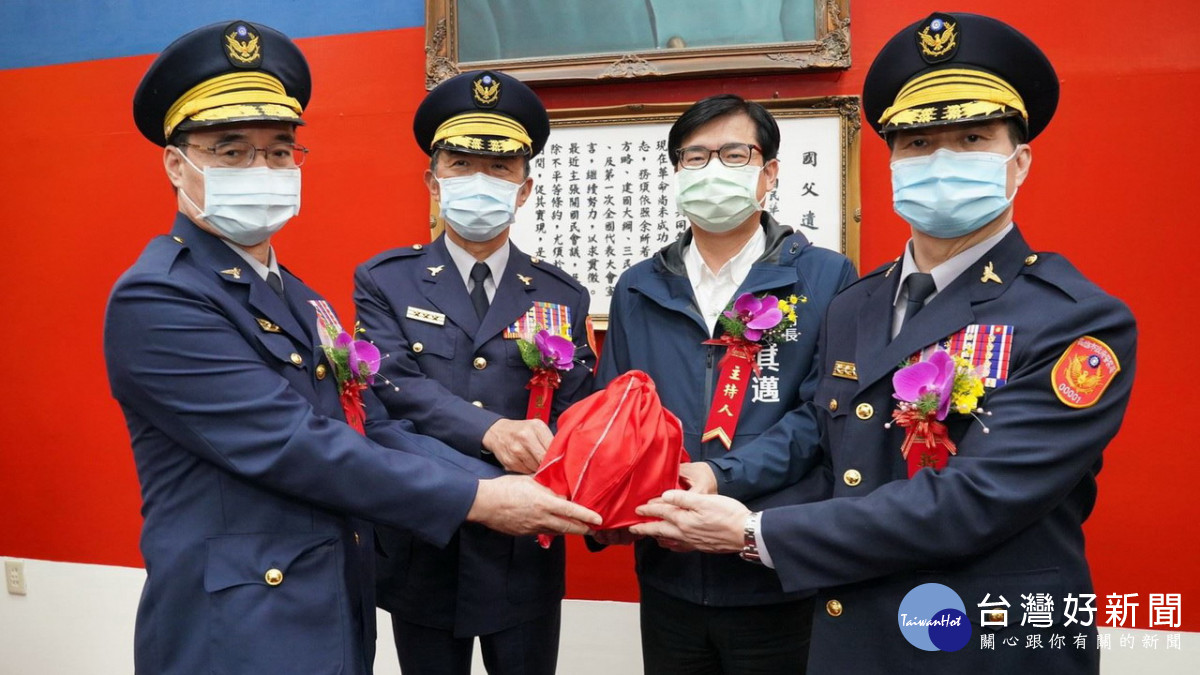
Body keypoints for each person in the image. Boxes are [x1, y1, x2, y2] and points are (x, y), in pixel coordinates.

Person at [631, 13, 1137, 674]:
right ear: (893, 162)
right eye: (918, 142)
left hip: (983, 645)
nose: (941, 162)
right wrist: (716, 480)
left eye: (972, 138)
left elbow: (976, 498)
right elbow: (823, 442)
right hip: (856, 635)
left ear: (1019, 163)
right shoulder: (857, 305)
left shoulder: (1074, 320)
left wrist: (755, 532)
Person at [104, 21, 599, 675]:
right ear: (177, 163)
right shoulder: (161, 296)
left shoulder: (300, 298)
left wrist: (505, 485)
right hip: (240, 622)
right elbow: (295, 442)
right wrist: (484, 499)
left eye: (279, 151)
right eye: (231, 151)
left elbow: (373, 424)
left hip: (330, 602)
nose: (263, 169)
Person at [595, 93, 856, 674]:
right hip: (667, 567)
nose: (713, 169)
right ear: (677, 172)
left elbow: (821, 414)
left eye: (734, 154)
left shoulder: (825, 275)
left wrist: (720, 475)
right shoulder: (638, 285)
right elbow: (613, 409)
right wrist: (615, 503)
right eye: (696, 156)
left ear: (769, 173)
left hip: (773, 568)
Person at [354, 69, 595, 675]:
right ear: (432, 181)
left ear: (524, 188)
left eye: (499, 168)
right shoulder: (386, 280)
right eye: (460, 165)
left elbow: (577, 410)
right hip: (425, 540)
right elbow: (391, 390)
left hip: (525, 549)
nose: (479, 182)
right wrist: (491, 434)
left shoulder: (561, 294)